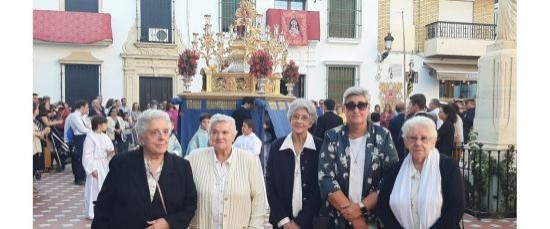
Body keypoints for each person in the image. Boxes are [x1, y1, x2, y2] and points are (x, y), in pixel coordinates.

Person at [92, 109, 198, 229]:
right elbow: (103, 206)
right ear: (141, 138)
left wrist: (169, 222)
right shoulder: (121, 164)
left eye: (165, 132)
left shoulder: (182, 167)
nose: (162, 138)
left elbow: (190, 205)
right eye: (154, 133)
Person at [318, 86, 399, 228]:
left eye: (361, 105)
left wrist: (360, 208)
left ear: (368, 108)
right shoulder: (332, 136)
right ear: (344, 108)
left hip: (374, 218)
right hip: (338, 218)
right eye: (350, 105)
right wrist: (354, 217)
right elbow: (325, 177)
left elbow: (390, 176)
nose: (356, 110)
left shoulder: (383, 136)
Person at [377, 116, 465, 228]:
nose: (418, 143)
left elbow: (456, 208)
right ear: (405, 141)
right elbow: (383, 207)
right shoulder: (394, 170)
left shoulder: (448, 167)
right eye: (413, 138)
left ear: (433, 142)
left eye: (424, 138)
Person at [187, 114, 267, 228]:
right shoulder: (194, 158)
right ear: (209, 135)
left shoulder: (249, 160)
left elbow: (259, 200)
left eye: (225, 132)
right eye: (214, 132)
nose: (219, 136)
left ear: (233, 136)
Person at [266, 99, 322, 229]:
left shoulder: (320, 147)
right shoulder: (276, 146)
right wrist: (284, 221)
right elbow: (270, 185)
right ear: (290, 119)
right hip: (281, 222)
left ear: (310, 122)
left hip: (311, 222)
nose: (299, 121)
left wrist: (299, 222)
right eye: (295, 117)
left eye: (304, 118)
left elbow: (320, 188)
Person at [82, 116, 114, 220]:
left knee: (106, 187)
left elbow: (110, 148)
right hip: (95, 164)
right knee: (95, 189)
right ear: (99, 125)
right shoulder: (90, 137)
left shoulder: (104, 136)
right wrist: (92, 168)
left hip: (105, 163)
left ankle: (106, 209)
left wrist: (110, 153)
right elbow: (87, 154)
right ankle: (93, 212)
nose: (106, 125)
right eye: (105, 123)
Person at [68, 100, 91, 185]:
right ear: (82, 107)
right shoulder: (74, 116)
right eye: (87, 107)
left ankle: (83, 176)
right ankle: (78, 178)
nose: (87, 109)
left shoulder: (83, 116)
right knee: (78, 158)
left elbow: (89, 125)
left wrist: (89, 128)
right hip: (79, 138)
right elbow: (82, 129)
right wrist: (91, 131)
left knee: (83, 156)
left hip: (84, 137)